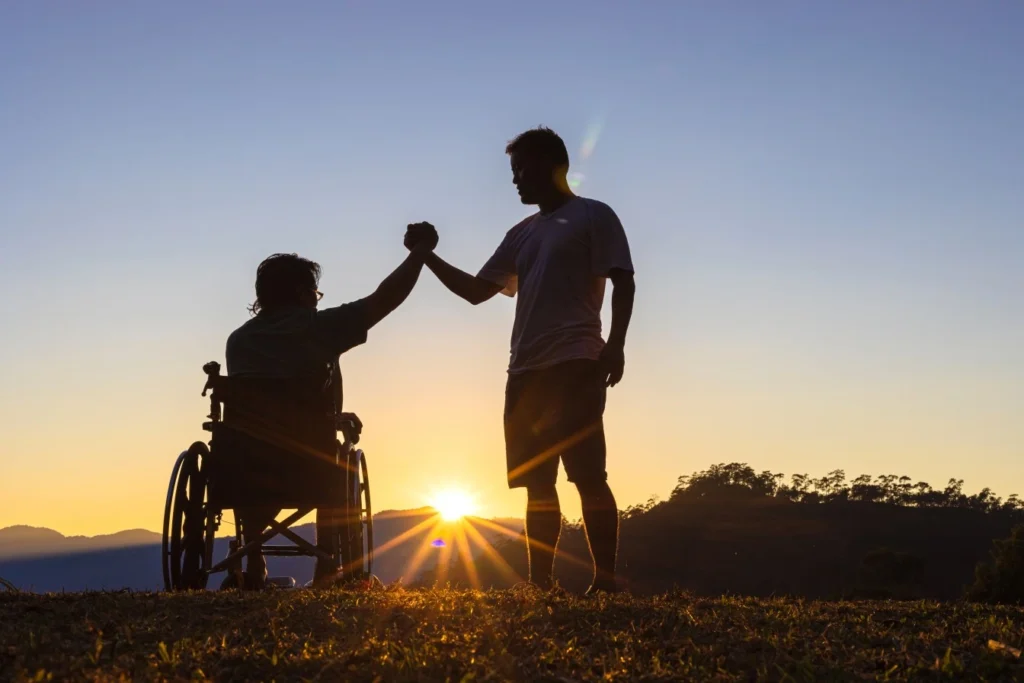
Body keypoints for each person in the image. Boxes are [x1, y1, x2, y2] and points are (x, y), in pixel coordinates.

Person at [406, 126, 635, 594]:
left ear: (554, 166)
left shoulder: (594, 215)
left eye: (522, 170)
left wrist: (616, 344)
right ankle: (541, 583)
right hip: (525, 371)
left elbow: (624, 280)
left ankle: (606, 582)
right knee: (537, 485)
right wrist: (427, 256)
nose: (515, 181)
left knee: (589, 475)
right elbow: (475, 292)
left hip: (576, 362)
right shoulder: (522, 234)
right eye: (512, 172)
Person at [225, 225, 438, 588]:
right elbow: (385, 298)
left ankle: (252, 554)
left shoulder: (238, 340)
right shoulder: (320, 327)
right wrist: (419, 253)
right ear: (300, 292)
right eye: (314, 291)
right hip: (308, 462)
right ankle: (329, 569)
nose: (318, 299)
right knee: (334, 460)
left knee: (252, 444)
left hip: (244, 464)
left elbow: (268, 408)